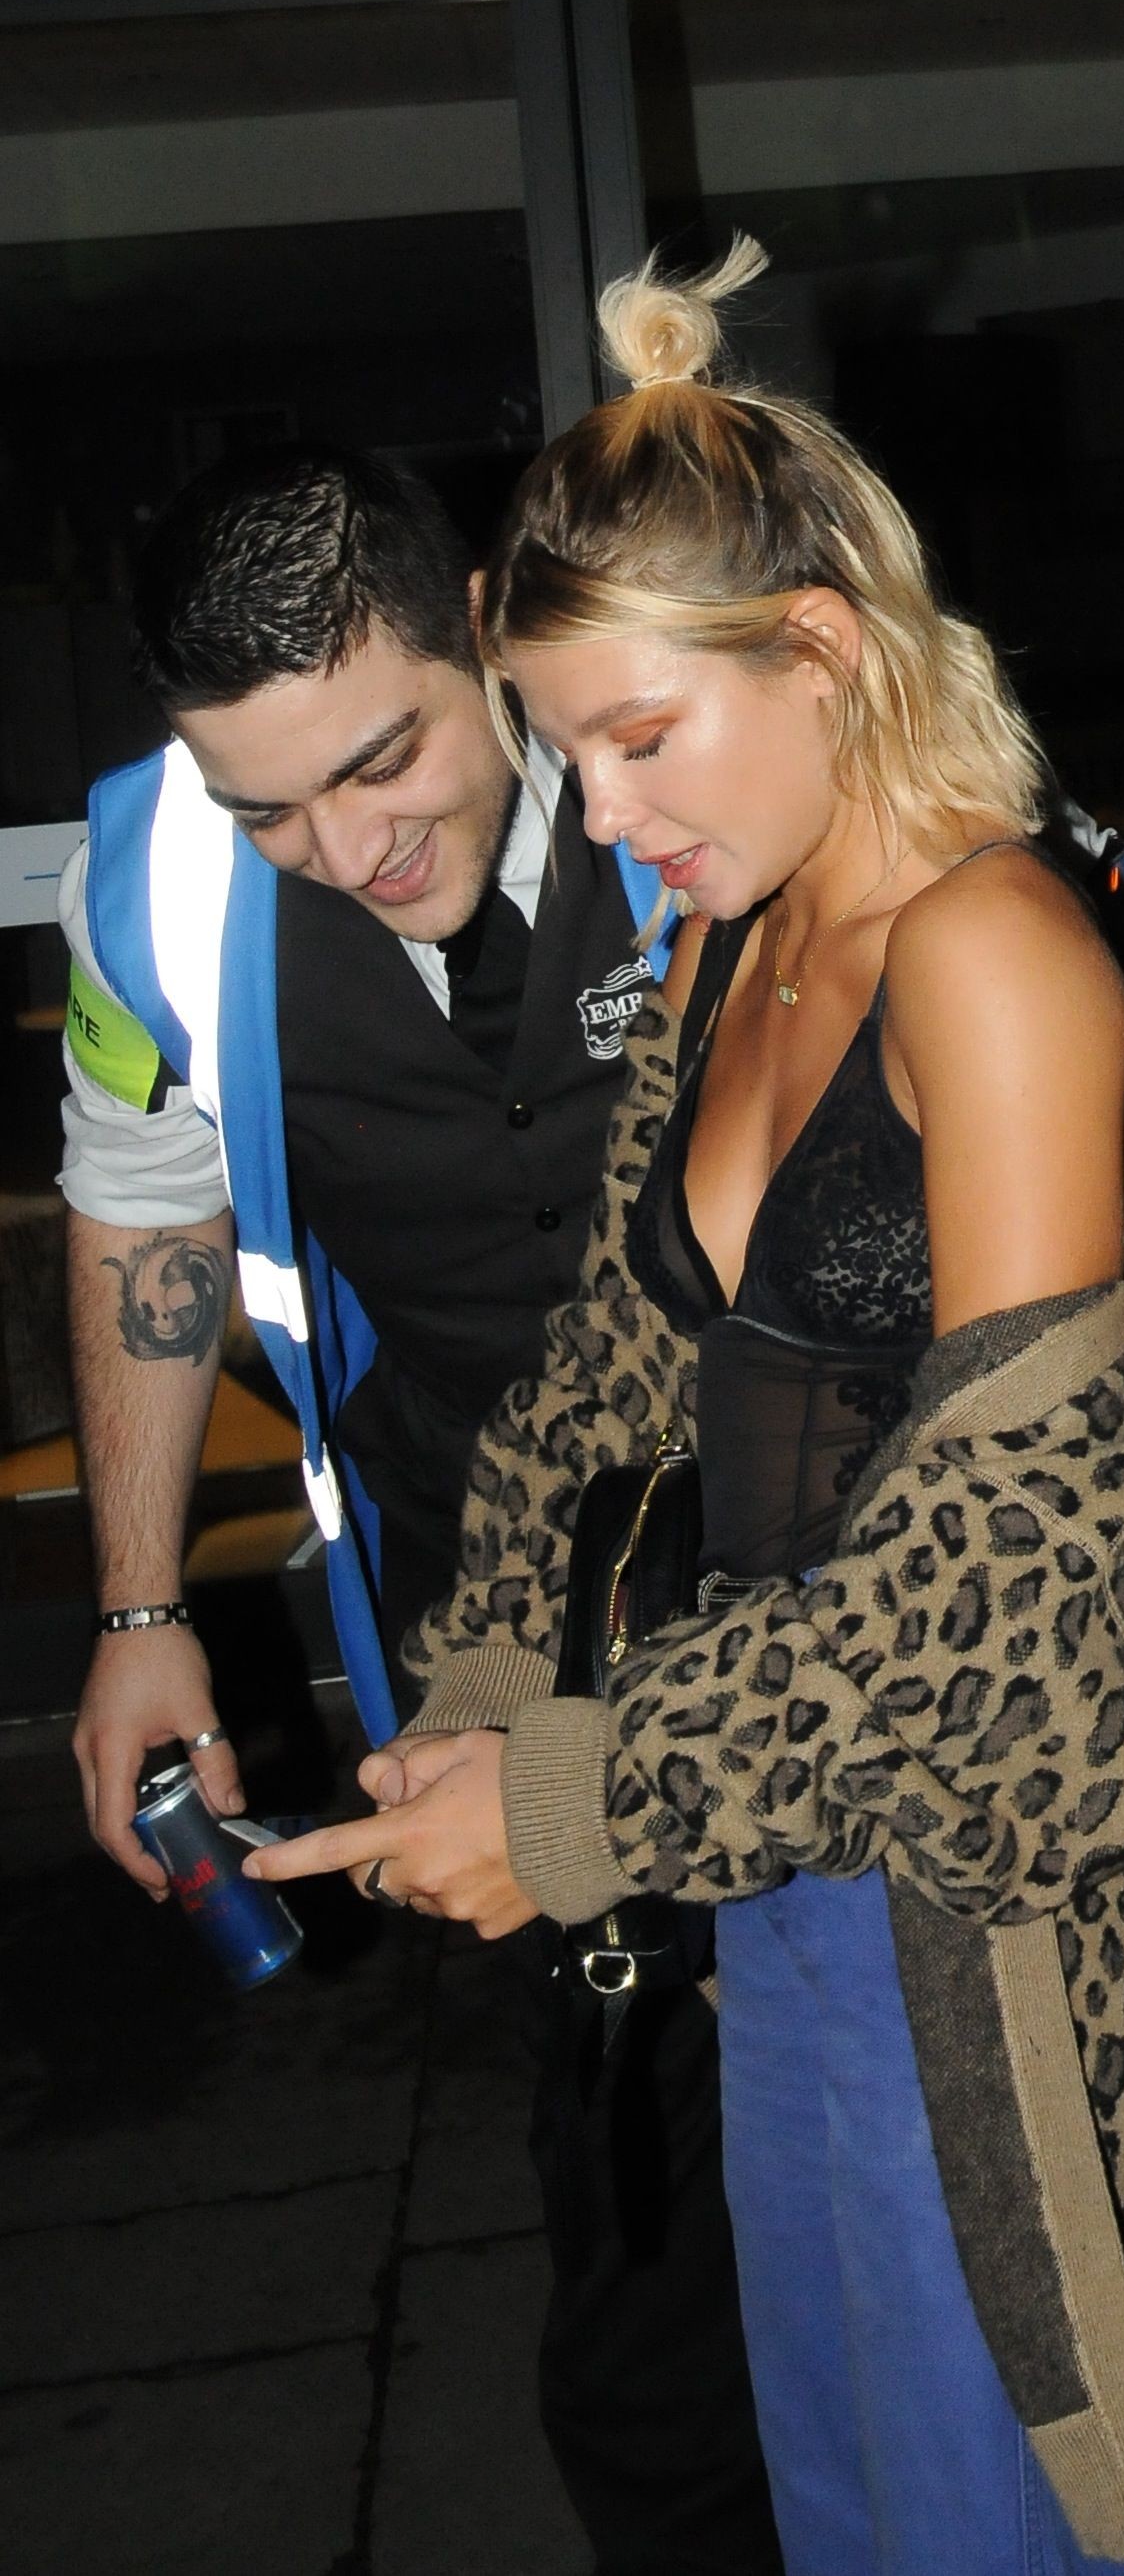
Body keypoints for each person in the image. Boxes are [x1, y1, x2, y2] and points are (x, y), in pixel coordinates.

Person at [249, 242, 1124, 2575]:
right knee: (841, 2523)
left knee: (988, 2533)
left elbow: (1008, 1569)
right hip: (777, 1873)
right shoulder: (732, 939)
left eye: (645, 737)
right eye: (570, 752)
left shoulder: (995, 956)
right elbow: (609, 1379)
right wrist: (492, 1684)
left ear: (820, 649)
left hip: (1001, 1919)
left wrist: (574, 1797)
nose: (607, 808)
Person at [60, 446, 781, 2575]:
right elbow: (142, 1218)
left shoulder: (696, 772)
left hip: (829, 1597)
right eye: (268, 807)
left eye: (383, 762)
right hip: (500, 1643)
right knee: (647, 2286)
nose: (348, 849)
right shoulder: (153, 892)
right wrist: (137, 1615)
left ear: (480, 621)